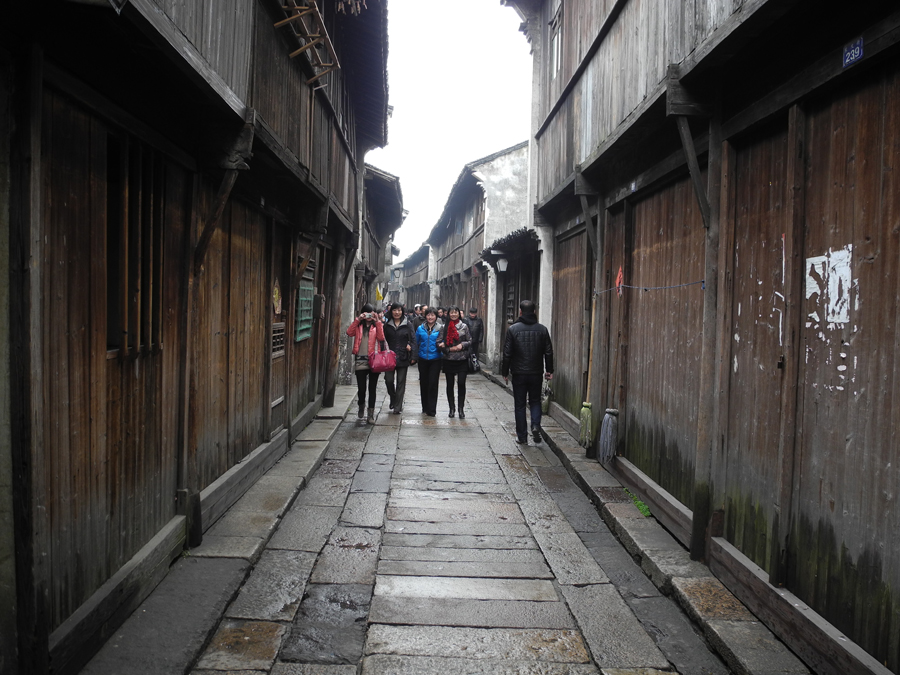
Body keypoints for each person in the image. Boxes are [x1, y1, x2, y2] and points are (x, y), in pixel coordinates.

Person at [501, 300, 554, 444]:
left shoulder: (513, 329)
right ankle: (535, 425)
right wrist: (549, 370)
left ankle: (522, 437)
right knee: (535, 401)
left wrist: (504, 372)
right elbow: (548, 352)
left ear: (520, 312)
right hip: (536, 372)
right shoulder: (542, 329)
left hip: (518, 373)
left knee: (520, 404)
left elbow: (507, 353)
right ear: (534, 312)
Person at [346, 302, 386, 424]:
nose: (369, 316)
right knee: (361, 388)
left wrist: (378, 321)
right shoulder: (358, 326)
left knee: (372, 388)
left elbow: (381, 338)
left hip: (374, 361)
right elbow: (349, 332)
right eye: (366, 313)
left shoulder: (377, 326)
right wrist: (358, 319)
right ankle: (361, 405)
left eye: (371, 313)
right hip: (360, 360)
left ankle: (370, 414)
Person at [438, 306, 472, 418]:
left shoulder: (464, 326)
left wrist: (462, 345)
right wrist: (447, 348)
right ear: (448, 314)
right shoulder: (444, 327)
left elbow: (470, 340)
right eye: (451, 313)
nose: (453, 314)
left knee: (461, 383)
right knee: (450, 384)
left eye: (455, 312)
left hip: (462, 359)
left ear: (459, 314)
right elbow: (438, 342)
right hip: (449, 359)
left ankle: (461, 409)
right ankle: (451, 408)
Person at [383, 302, 417, 414]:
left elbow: (413, 340)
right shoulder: (387, 325)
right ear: (391, 311)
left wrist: (412, 355)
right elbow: (382, 340)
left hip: (403, 356)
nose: (397, 312)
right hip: (389, 357)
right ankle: (393, 398)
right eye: (394, 310)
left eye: (399, 310)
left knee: (401, 382)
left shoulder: (408, 324)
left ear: (402, 311)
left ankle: (397, 406)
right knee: (388, 380)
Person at [415, 307, 442, 416]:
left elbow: (444, 342)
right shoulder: (420, 328)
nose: (430, 317)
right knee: (424, 383)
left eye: (433, 315)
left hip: (435, 359)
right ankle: (425, 407)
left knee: (433, 383)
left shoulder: (441, 328)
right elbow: (416, 342)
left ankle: (432, 409)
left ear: (436, 316)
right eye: (428, 315)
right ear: (425, 316)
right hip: (422, 359)